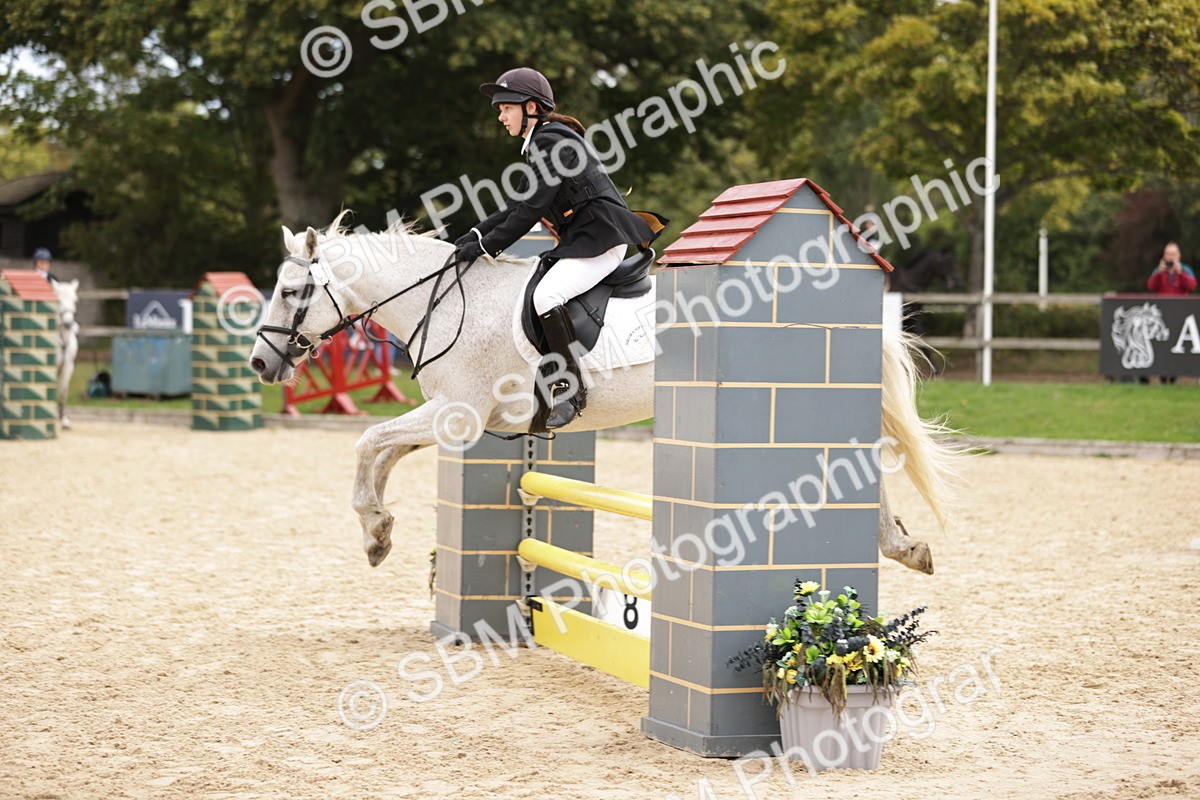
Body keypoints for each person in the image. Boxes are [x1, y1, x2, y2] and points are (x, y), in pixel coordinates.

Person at [453, 67, 660, 429]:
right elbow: (517, 205)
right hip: (585, 240)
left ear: (531, 107)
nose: (501, 116)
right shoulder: (542, 141)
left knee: (546, 296)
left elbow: (531, 210)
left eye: (506, 108)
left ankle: (569, 389)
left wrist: (487, 247)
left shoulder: (550, 141)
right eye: (500, 109)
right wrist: (473, 235)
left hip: (600, 240)